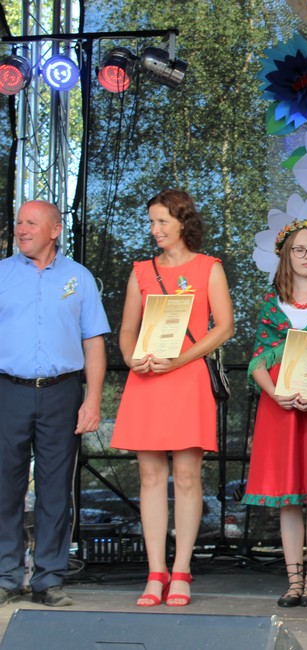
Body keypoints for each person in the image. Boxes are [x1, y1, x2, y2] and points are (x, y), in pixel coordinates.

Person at [111, 189, 234, 607]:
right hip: (147, 379)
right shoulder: (141, 271)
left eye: (163, 221)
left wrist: (181, 359)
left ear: (184, 222)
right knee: (149, 477)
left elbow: (225, 327)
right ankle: (155, 571)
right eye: (151, 221)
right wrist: (132, 358)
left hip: (187, 377)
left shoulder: (208, 268)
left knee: (186, 476)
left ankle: (181, 570)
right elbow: (127, 330)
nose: (155, 229)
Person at [0, 200, 110, 608]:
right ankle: (7, 576)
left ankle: (48, 579)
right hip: (8, 389)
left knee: (55, 489)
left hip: (62, 392)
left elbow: (93, 341)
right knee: (4, 486)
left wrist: (93, 399)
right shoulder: (2, 273)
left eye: (31, 222)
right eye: (19, 222)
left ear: (55, 229)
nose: (22, 229)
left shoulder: (79, 278)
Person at [242, 219, 307, 608]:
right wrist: (276, 392)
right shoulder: (272, 304)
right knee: (289, 498)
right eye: (299, 249)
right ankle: (293, 580)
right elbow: (257, 361)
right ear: (286, 255)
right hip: (280, 406)